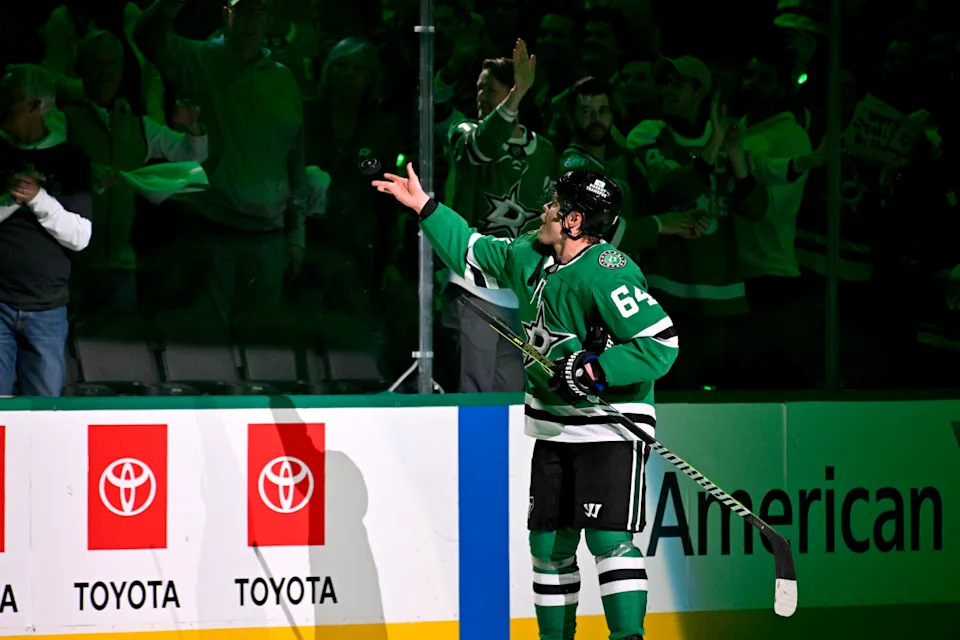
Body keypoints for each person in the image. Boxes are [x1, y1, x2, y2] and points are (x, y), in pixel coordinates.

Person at [373, 164, 678, 640]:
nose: (545, 209)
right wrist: (426, 207)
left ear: (574, 221)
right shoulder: (529, 254)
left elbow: (660, 345)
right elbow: (472, 251)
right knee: (548, 545)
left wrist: (596, 369)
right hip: (554, 425)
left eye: (555, 204)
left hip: (608, 426)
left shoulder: (605, 273)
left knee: (608, 540)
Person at [0, 64, 92, 396]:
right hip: (0, 303)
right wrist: (11, 198)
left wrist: (39, 199)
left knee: (44, 415)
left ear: (36, 106)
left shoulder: (71, 158)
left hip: (47, 308)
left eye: (11, 98)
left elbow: (81, 237)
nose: (2, 104)